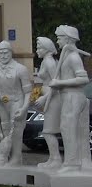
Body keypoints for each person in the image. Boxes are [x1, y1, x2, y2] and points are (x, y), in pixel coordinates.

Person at [49, 25, 90, 172]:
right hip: (67, 95)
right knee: (67, 128)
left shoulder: (73, 57)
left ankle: (72, 163)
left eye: (59, 38)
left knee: (68, 128)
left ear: (68, 39)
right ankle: (73, 161)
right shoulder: (66, 56)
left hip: (74, 96)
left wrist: (59, 83)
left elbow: (83, 79)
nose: (57, 41)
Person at [0, 40, 32, 167]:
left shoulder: (20, 69)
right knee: (5, 129)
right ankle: (7, 156)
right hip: (2, 103)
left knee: (16, 130)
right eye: (1, 53)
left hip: (17, 101)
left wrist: (24, 108)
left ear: (11, 53)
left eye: (6, 53)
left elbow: (28, 92)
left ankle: (17, 158)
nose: (4, 56)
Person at [32, 36, 60, 167]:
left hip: (52, 99)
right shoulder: (45, 62)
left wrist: (44, 98)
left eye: (39, 48)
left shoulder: (49, 63)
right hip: (47, 97)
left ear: (46, 49)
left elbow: (56, 84)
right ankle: (53, 158)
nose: (37, 50)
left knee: (48, 131)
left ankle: (56, 159)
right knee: (48, 131)